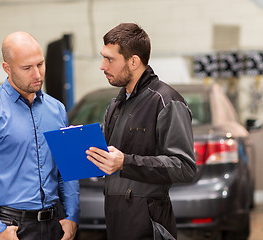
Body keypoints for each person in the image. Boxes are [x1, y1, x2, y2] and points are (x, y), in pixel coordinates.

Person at [0, 31, 79, 240]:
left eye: (40, 64)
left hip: (55, 224)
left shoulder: (57, 109)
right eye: (27, 68)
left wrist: (72, 215)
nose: (37, 74)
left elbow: (67, 168)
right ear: (7, 68)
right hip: (9, 228)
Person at [86, 23, 197, 240]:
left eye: (109, 59)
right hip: (117, 221)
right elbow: (109, 160)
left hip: (149, 226)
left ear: (134, 61)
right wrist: (81, 142)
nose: (102, 66)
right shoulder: (116, 105)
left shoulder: (166, 101)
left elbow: (184, 168)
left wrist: (125, 162)